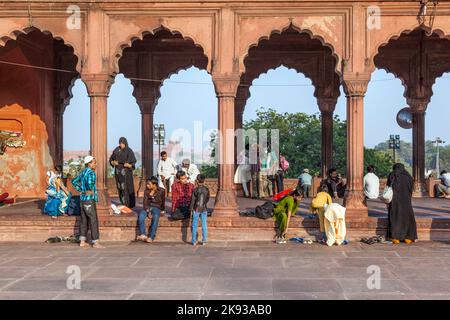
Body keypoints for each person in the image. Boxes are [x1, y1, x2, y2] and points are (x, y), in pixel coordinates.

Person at [72, 156, 104, 249]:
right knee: (93, 220)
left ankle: (82, 241)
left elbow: (74, 181)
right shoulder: (91, 173)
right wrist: (88, 189)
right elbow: (89, 184)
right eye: (94, 162)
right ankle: (95, 242)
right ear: (89, 164)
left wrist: (81, 190)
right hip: (89, 199)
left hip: (82, 199)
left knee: (83, 220)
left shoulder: (83, 172)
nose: (95, 164)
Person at [386, 163, 417, 244]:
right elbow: (411, 188)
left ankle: (395, 237)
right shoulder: (408, 176)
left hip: (395, 201)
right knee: (407, 218)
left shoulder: (392, 174)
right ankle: (408, 237)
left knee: (395, 217)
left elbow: (389, 186)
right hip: (406, 201)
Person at [109, 137, 137, 208]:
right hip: (118, 173)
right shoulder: (116, 150)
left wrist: (128, 165)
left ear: (125, 143)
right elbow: (111, 159)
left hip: (126, 173)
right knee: (120, 188)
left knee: (127, 188)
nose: (121, 144)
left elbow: (133, 163)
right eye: (120, 143)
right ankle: (123, 202)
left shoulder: (129, 151)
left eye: (122, 143)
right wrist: (113, 162)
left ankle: (129, 204)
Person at [136, 176, 166, 243]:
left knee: (155, 217)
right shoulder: (146, 191)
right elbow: (145, 203)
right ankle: (143, 234)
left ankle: (151, 237)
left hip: (156, 207)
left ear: (154, 185)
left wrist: (163, 210)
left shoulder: (162, 190)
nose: (147, 185)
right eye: (147, 184)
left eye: (149, 184)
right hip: (148, 207)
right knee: (141, 216)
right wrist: (148, 211)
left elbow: (163, 201)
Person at [190, 174, 210, 245]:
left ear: (197, 181)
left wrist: (191, 209)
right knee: (204, 224)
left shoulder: (195, 190)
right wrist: (204, 204)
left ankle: (194, 241)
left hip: (196, 208)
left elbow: (193, 200)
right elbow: (207, 199)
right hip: (204, 208)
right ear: (204, 181)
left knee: (194, 224)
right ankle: (204, 240)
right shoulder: (207, 189)